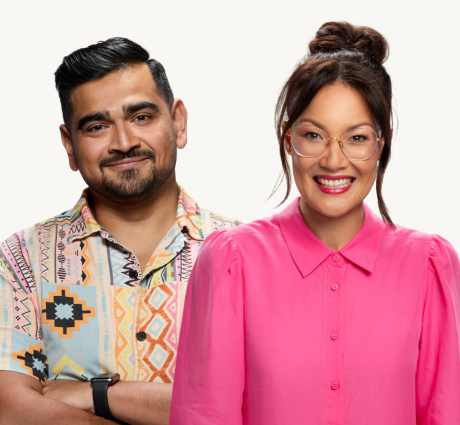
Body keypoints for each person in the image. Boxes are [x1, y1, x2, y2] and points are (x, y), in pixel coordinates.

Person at [170, 22, 460, 424]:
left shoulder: (429, 263)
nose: (334, 161)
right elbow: (203, 414)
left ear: (382, 142)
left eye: (356, 137)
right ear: (288, 138)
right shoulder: (232, 261)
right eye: (314, 135)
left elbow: (446, 414)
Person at [0, 38, 240, 425]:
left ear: (177, 122)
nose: (124, 142)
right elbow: (10, 409)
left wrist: (96, 394)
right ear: (70, 146)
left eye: (141, 117)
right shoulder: (22, 259)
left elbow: (256, 407)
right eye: (97, 126)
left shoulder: (245, 254)